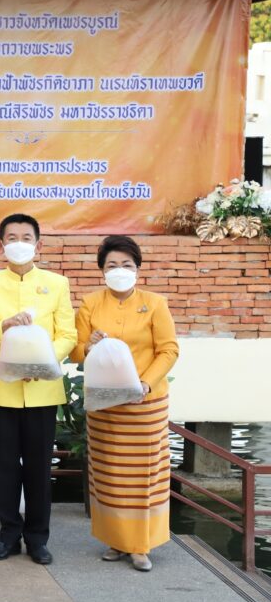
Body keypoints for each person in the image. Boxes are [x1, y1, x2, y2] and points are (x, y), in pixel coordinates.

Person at [0, 213, 75, 565]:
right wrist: (5, 325)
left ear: (38, 245)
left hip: (42, 389)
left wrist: (40, 362)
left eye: (26, 237)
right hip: (1, 390)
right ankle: (8, 535)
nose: (19, 244)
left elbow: (68, 335)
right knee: (3, 466)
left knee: (39, 467)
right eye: (11, 238)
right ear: (0, 245)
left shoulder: (57, 284)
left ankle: (38, 538)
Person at [69, 236, 179, 572]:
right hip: (105, 404)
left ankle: (140, 545)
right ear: (102, 270)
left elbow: (169, 349)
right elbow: (75, 352)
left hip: (145, 402)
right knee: (109, 474)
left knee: (144, 475)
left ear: (137, 269)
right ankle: (115, 541)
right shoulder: (90, 304)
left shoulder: (155, 303)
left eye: (126, 265)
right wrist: (89, 345)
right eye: (112, 265)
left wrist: (146, 382)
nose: (119, 270)